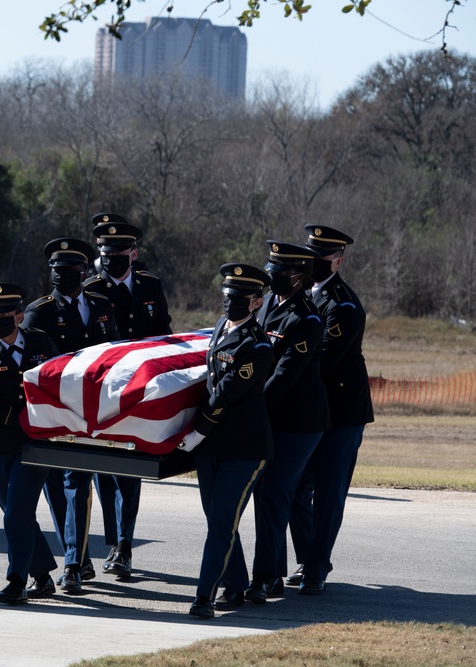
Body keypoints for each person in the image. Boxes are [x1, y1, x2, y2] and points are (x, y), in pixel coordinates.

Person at [216, 242, 328, 610]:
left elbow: (284, 375)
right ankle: (273, 573)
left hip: (298, 421)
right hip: (268, 417)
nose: (274, 276)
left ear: (298, 276)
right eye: (272, 269)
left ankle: (264, 578)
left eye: (281, 271)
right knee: (265, 493)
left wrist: (245, 407)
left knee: (276, 491)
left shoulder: (307, 319)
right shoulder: (263, 308)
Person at [177, 263, 274, 619]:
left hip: (244, 449)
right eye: (227, 296)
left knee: (220, 524)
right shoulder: (220, 327)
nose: (230, 302)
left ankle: (204, 597)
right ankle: (235, 586)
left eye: (239, 298)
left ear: (256, 302)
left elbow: (226, 393)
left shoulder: (258, 346)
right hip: (212, 448)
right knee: (219, 522)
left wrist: (197, 431)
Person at [23, 237, 119, 593]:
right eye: (55, 271)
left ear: (82, 271)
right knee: (58, 491)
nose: (61, 276)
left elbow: (114, 352)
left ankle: (74, 565)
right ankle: (76, 557)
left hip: (92, 413)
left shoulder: (101, 305)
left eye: (67, 271)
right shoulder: (40, 312)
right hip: (55, 415)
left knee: (77, 486)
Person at [286, 225, 374, 595]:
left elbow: (318, 362)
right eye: (308, 257)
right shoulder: (298, 296)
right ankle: (309, 555)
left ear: (336, 262)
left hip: (340, 414)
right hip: (309, 411)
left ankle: (316, 567)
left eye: (319, 260)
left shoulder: (345, 306)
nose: (311, 265)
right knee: (290, 486)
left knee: (328, 492)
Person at [84, 213, 173, 578]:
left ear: (133, 253)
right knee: (104, 472)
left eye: (120, 249)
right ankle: (113, 542)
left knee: (130, 472)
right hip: (102, 393)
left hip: (139, 392)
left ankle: (124, 545)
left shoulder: (150, 286)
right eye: (106, 249)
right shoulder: (90, 289)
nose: (112, 255)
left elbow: (163, 336)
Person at [0, 282, 60, 605]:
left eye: (4, 314)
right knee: (15, 513)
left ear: (19, 316)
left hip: (35, 443)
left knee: (17, 512)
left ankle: (16, 581)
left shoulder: (41, 342)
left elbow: (56, 382)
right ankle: (43, 577)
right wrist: (20, 416)